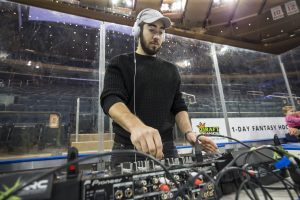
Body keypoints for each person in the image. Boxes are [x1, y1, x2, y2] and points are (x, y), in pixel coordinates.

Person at [100, 8, 218, 167]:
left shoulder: (171, 70)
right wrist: (137, 127)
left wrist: (189, 133)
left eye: (161, 32)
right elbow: (111, 98)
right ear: (137, 30)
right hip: (128, 150)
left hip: (167, 149)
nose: (156, 36)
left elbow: (178, 105)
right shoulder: (120, 63)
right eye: (151, 30)